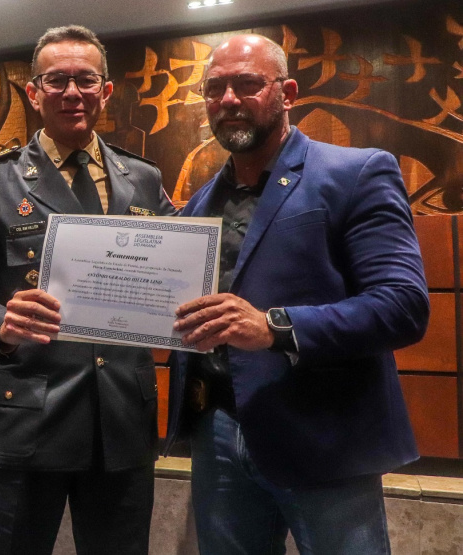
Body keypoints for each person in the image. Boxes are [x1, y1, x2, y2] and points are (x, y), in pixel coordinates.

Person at [166, 34, 430, 554]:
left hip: (323, 435)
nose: (229, 100)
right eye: (214, 88)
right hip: (218, 434)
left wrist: (273, 327)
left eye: (247, 84)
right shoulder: (197, 204)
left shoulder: (356, 172)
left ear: (286, 92)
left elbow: (403, 305)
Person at [0, 25, 176, 555]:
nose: (73, 92)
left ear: (106, 91)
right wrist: (1, 322)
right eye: (58, 80)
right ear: (34, 92)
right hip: (28, 420)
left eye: (86, 80)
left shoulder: (143, 179)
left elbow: (173, 278)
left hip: (121, 423)